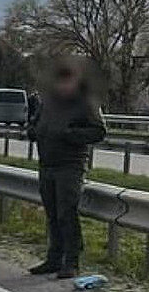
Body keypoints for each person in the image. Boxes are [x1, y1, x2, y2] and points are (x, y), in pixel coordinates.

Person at [25, 61, 106, 278]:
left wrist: (71, 135)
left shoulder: (85, 103)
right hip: (47, 164)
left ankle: (71, 261)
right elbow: (35, 124)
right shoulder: (47, 103)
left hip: (70, 165)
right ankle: (54, 258)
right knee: (52, 213)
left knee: (66, 213)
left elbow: (98, 132)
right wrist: (33, 130)